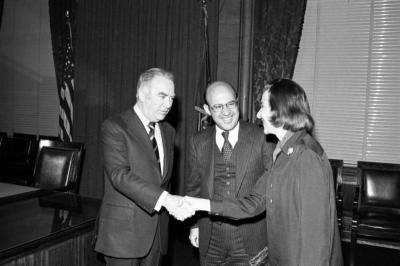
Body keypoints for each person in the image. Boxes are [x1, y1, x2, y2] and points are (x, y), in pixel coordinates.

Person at [184, 79, 344, 266]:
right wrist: (198, 204)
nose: (258, 115)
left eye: (262, 107)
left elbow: (316, 237)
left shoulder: (306, 155)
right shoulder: (284, 152)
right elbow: (253, 203)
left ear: (280, 110)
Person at [94, 68, 194, 266]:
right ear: (141, 93)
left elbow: (163, 180)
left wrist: (172, 205)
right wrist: (167, 201)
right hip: (123, 237)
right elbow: (120, 176)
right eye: (162, 96)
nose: (168, 105)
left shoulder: (168, 131)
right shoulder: (115, 126)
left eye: (171, 98)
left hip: (157, 236)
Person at [185, 81, 274, 266]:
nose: (226, 112)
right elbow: (194, 188)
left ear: (237, 102)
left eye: (231, 104)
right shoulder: (198, 141)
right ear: (207, 110)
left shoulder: (262, 137)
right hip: (211, 238)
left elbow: (272, 192)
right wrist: (194, 225)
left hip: (250, 239)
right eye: (217, 107)